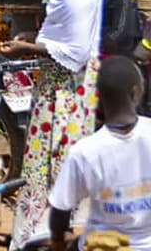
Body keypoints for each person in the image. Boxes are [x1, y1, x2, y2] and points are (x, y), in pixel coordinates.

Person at [2, 0, 104, 251]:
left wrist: (27, 49)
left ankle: (51, 234)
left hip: (67, 89)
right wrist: (32, 39)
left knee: (56, 159)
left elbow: (74, 53)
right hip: (57, 86)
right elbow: (59, 38)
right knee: (46, 158)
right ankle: (41, 232)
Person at [48, 56, 151, 251]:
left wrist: (57, 242)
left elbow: (60, 211)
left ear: (98, 97)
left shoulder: (85, 151)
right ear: (136, 92)